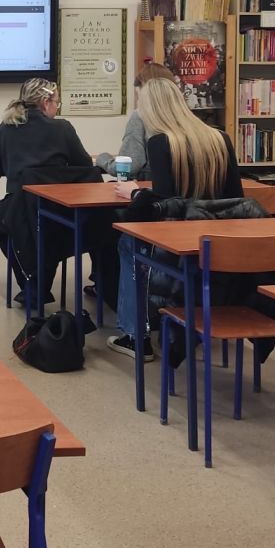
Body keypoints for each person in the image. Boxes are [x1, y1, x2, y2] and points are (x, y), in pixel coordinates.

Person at [106, 75, 243, 361]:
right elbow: (236, 199)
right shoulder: (220, 138)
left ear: (152, 108)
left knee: (128, 243)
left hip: (178, 246)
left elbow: (166, 205)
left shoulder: (160, 143)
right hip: (222, 245)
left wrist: (135, 194)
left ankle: (136, 336)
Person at [0, 78, 105, 304]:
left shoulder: (6, 128)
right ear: (46, 102)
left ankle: (31, 283)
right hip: (60, 211)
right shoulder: (63, 128)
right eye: (57, 102)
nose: (57, 108)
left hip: (19, 210)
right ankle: (100, 281)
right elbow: (84, 166)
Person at [93, 61, 176, 179]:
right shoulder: (185, 117)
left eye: (139, 96)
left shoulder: (140, 116)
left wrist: (103, 158)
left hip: (150, 187)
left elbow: (128, 167)